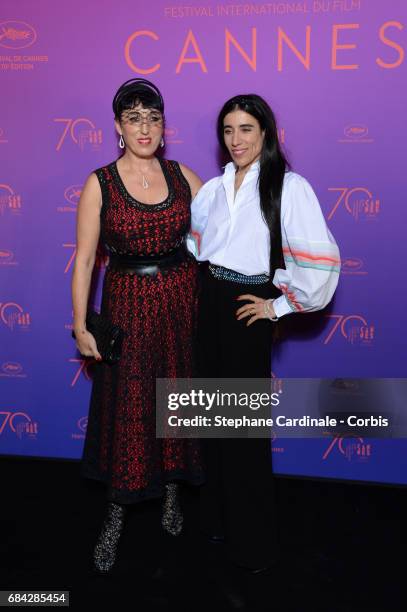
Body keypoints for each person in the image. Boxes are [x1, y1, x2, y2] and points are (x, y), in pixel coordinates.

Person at [187, 94, 340, 575]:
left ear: (267, 133)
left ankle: (253, 543)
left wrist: (277, 305)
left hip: (244, 310)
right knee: (207, 423)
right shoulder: (211, 188)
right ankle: (216, 519)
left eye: (246, 129)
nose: (236, 140)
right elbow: (196, 248)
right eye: (228, 130)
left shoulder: (288, 187)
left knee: (243, 431)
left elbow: (320, 265)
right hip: (206, 303)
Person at [71, 78, 204, 574]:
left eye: (153, 117)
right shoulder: (99, 182)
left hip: (181, 303)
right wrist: (80, 324)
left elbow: (222, 239)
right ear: (118, 128)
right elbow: (85, 261)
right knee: (129, 409)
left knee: (175, 398)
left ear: (164, 127)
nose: (144, 127)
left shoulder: (185, 176)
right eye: (133, 118)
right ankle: (115, 517)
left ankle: (171, 493)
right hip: (127, 306)